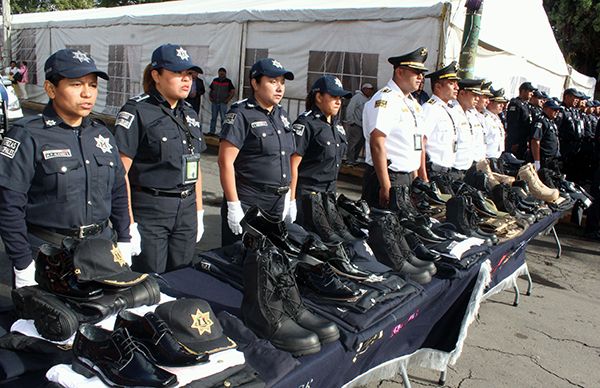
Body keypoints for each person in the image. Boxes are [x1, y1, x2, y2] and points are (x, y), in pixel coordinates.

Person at [0, 48, 131, 288]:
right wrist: (22, 263)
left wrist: (124, 237)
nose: (87, 93)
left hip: (101, 251)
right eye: (76, 84)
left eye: (92, 85)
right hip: (49, 254)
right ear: (51, 89)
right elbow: (9, 205)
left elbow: (118, 190)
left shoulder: (102, 134)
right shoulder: (28, 135)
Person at [114, 44, 206, 274]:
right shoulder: (137, 110)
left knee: (183, 275)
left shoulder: (190, 113)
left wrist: (199, 211)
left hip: (186, 209)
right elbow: (120, 172)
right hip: (151, 210)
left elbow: (196, 164)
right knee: (151, 280)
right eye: (178, 73)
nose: (187, 80)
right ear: (156, 75)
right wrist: (128, 225)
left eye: (190, 75)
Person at [218, 58, 295, 245]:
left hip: (277, 202)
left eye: (282, 82)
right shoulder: (241, 113)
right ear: (255, 83)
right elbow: (225, 161)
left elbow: (287, 157)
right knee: (242, 261)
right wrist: (233, 205)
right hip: (250, 201)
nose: (279, 88)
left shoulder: (281, 115)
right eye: (272, 81)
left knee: (271, 263)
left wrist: (289, 198)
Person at [362, 47, 429, 209]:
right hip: (388, 176)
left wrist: (417, 175)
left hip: (406, 177)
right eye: (415, 72)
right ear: (399, 72)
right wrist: (385, 186)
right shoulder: (386, 99)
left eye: (422, 73)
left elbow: (415, 143)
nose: (420, 77)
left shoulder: (412, 102)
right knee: (383, 229)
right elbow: (377, 142)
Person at [290, 75, 352, 222]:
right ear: (318, 97)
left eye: (341, 98)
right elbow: (292, 165)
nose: (338, 102)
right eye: (334, 96)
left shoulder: (337, 125)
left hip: (329, 193)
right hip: (307, 194)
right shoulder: (306, 123)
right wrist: (291, 201)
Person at [421, 61, 461, 178]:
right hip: (433, 171)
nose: (456, 87)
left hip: (447, 170)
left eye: (456, 83)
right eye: (451, 83)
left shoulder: (449, 109)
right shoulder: (430, 109)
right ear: (438, 86)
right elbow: (421, 144)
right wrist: (423, 176)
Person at [451, 79, 483, 177]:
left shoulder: (470, 115)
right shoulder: (452, 112)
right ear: (462, 93)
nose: (477, 99)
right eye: (474, 95)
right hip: (454, 170)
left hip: (468, 169)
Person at [344, 82, 374, 164]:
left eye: (372, 90)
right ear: (364, 89)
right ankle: (349, 160)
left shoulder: (369, 99)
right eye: (369, 89)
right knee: (353, 143)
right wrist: (351, 121)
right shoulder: (357, 97)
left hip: (364, 125)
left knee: (360, 143)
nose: (371, 91)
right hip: (356, 124)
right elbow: (350, 109)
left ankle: (355, 159)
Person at [506, 81, 536, 159]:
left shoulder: (526, 105)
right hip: (516, 142)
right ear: (523, 91)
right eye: (530, 91)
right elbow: (513, 124)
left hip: (523, 141)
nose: (532, 94)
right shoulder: (515, 104)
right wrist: (514, 142)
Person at [531, 99, 561, 171]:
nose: (557, 112)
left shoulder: (551, 122)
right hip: (544, 159)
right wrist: (537, 161)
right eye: (554, 109)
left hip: (552, 160)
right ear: (545, 109)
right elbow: (535, 141)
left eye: (558, 110)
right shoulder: (541, 121)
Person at [209, 67, 235, 135]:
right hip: (214, 102)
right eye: (220, 74)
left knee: (223, 118)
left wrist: (228, 100)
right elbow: (211, 89)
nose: (221, 75)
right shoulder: (215, 80)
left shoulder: (228, 81)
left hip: (223, 102)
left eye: (222, 74)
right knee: (213, 118)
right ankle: (212, 132)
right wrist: (210, 97)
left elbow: (232, 91)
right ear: (218, 73)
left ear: (225, 74)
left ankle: (223, 133)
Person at [483, 88, 508, 158]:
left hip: (497, 156)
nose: (502, 105)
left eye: (503, 103)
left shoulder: (496, 118)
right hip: (487, 157)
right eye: (499, 103)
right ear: (490, 102)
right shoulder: (484, 118)